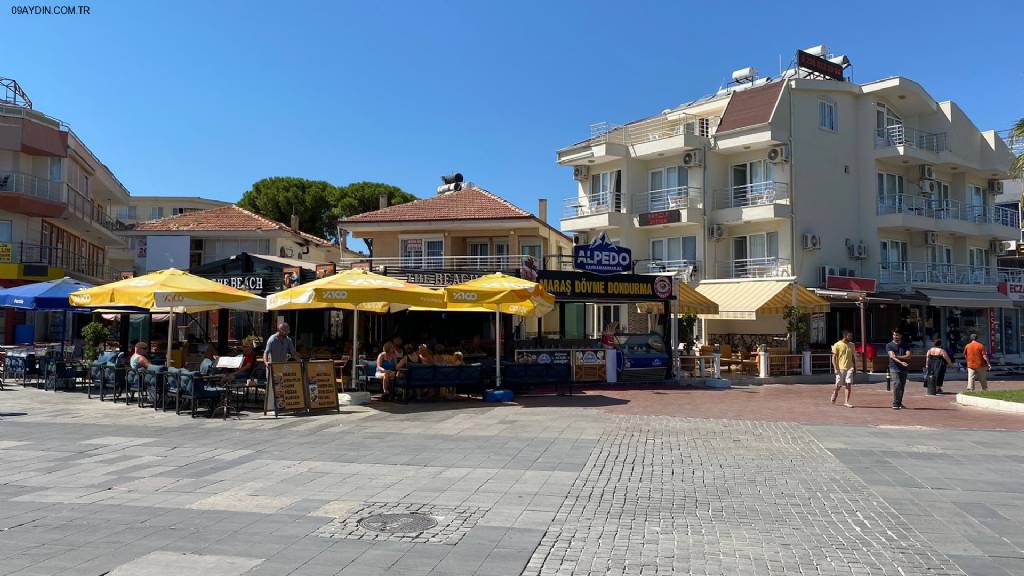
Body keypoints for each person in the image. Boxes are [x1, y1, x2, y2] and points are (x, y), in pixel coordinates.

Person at [830, 329, 857, 408]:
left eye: (851, 336)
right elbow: (833, 357)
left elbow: (853, 357)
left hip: (850, 368)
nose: (851, 337)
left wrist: (855, 368)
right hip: (840, 368)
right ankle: (835, 393)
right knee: (838, 386)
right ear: (845, 336)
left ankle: (846, 402)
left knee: (848, 384)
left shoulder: (852, 345)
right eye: (849, 336)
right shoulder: (837, 345)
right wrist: (835, 368)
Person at [886, 330, 911, 409]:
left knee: (902, 386)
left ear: (901, 336)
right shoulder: (889, 345)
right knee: (897, 383)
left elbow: (909, 356)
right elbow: (891, 356)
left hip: (904, 368)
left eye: (897, 335)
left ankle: (899, 402)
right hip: (893, 367)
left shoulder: (905, 345)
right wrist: (901, 361)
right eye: (894, 335)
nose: (895, 336)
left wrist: (897, 356)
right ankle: (895, 403)